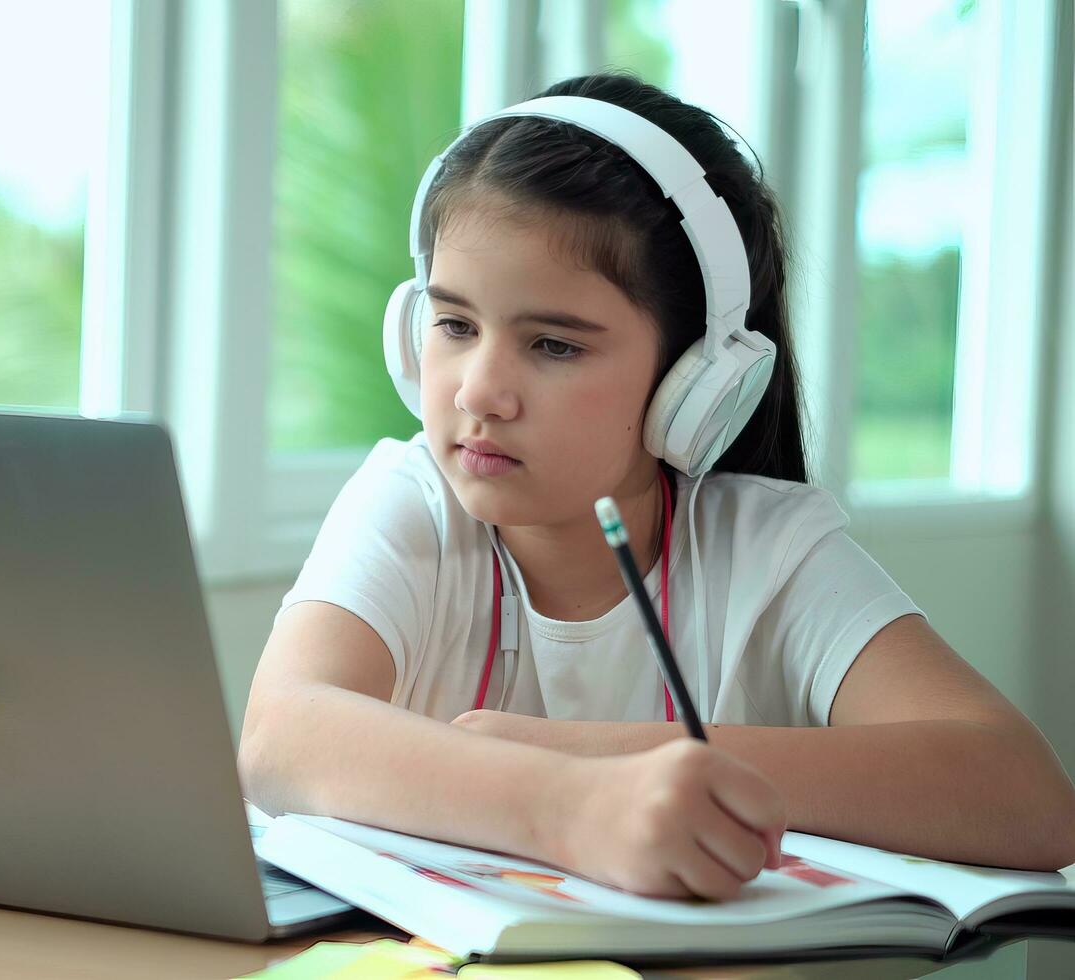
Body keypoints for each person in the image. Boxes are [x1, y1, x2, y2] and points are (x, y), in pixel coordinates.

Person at [237, 73, 1075, 901]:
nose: (478, 391)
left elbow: (1026, 797)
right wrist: (569, 807)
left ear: (695, 383)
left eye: (554, 345)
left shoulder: (768, 552)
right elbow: (282, 736)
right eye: (454, 324)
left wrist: (588, 754)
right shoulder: (412, 500)